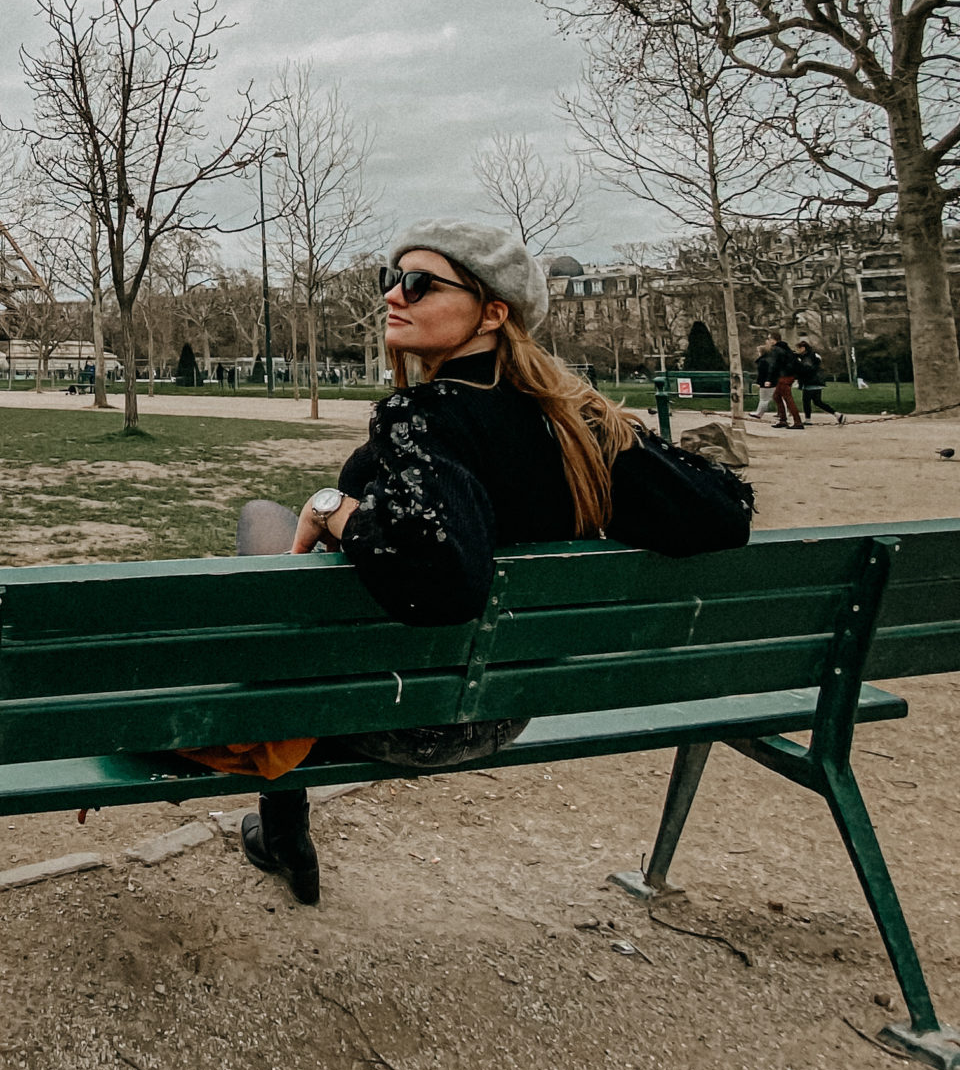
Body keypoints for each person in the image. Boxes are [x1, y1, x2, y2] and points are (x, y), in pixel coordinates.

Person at [200, 221, 754, 907]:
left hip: (403, 714)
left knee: (264, 519)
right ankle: (283, 823)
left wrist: (335, 511)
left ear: (494, 312)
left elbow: (442, 578)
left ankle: (284, 824)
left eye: (420, 283)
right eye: (391, 280)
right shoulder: (576, 426)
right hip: (509, 705)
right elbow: (723, 512)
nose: (393, 297)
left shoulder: (425, 417)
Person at [767, 334, 804, 430]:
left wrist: (769, 379)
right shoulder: (786, 348)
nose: (768, 341)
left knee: (787, 398)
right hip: (790, 375)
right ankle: (783, 419)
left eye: (769, 339)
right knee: (777, 396)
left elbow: (774, 364)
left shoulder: (775, 349)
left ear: (773, 340)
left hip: (784, 375)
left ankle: (797, 421)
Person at [794, 337, 832, 425]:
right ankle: (837, 415)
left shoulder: (807, 358)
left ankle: (808, 419)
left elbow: (806, 368)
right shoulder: (813, 355)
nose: (797, 350)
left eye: (798, 349)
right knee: (818, 402)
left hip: (810, 382)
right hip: (817, 381)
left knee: (806, 401)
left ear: (803, 348)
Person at [751, 342, 777, 421]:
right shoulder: (770, 360)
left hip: (765, 382)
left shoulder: (762, 361)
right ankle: (784, 413)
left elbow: (762, 374)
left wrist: (759, 382)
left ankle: (759, 413)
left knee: (764, 398)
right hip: (772, 381)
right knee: (772, 398)